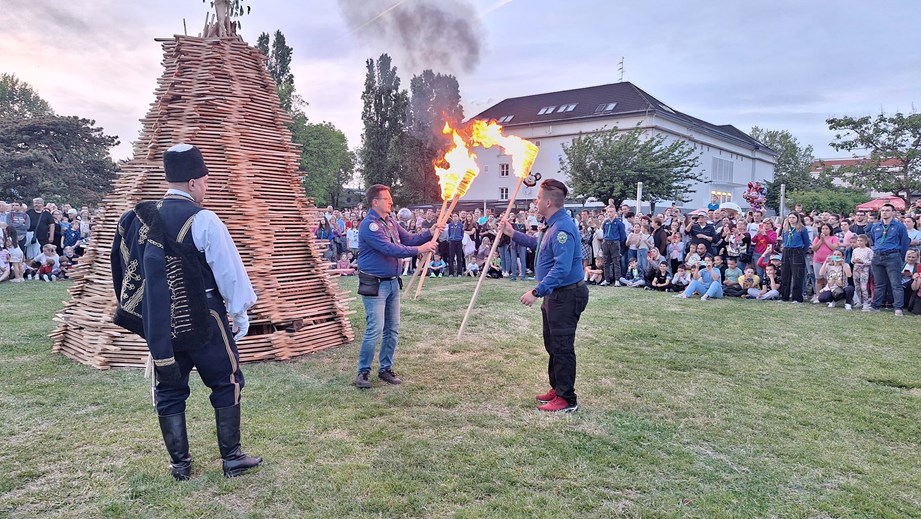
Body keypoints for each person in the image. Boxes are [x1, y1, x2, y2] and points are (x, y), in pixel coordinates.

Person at [110, 144, 261, 480]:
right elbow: (229, 272)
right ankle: (232, 458)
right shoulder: (203, 219)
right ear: (193, 183)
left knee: (169, 389)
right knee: (226, 381)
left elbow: (123, 267)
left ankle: (180, 466)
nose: (206, 189)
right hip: (205, 317)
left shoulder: (139, 219)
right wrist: (239, 312)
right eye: (205, 182)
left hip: (161, 322)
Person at [499, 179, 587, 413]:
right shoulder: (552, 225)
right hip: (556, 295)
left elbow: (562, 268)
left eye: (538, 198)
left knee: (562, 346)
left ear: (548, 202)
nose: (535, 201)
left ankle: (567, 399)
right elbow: (539, 247)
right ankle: (557, 388)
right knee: (552, 344)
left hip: (566, 296)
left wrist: (537, 291)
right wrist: (512, 233)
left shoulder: (562, 229)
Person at [354, 184, 441, 389]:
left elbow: (409, 239)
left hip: (392, 282)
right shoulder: (369, 225)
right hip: (375, 284)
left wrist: (430, 232)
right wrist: (421, 249)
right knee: (375, 329)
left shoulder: (390, 221)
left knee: (392, 329)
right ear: (375, 202)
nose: (391, 201)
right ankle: (363, 372)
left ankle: (385, 368)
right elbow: (389, 248)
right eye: (387, 199)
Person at [866, 203, 910, 315]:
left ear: (893, 212)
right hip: (877, 256)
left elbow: (904, 243)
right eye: (883, 210)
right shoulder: (876, 226)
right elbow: (873, 241)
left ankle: (898, 308)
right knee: (879, 284)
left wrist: (900, 257)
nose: (884, 212)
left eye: (887, 210)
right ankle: (875, 306)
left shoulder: (900, 226)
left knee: (896, 284)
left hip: (893, 256)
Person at [779, 213, 811, 303]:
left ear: (797, 218)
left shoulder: (802, 229)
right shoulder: (785, 228)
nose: (791, 219)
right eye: (789, 217)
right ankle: (784, 296)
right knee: (785, 274)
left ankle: (797, 298)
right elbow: (784, 240)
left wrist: (801, 251)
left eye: (793, 217)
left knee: (797, 275)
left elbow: (806, 242)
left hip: (797, 251)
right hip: (786, 250)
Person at [599, 206, 625, 286]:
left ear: (615, 213)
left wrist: (618, 242)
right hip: (606, 242)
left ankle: (617, 280)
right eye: (608, 212)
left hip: (615, 242)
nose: (609, 213)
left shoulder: (619, 223)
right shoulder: (605, 222)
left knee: (616, 261)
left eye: (611, 212)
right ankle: (607, 279)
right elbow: (604, 232)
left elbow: (623, 236)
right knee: (606, 261)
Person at [850, 234, 873, 310]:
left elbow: (872, 261)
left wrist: (863, 262)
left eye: (861, 241)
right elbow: (852, 260)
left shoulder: (868, 250)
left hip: (864, 270)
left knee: (863, 287)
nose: (859, 242)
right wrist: (854, 261)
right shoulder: (855, 250)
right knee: (857, 286)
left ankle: (865, 302)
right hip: (856, 269)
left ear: (865, 242)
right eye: (858, 241)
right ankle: (859, 301)